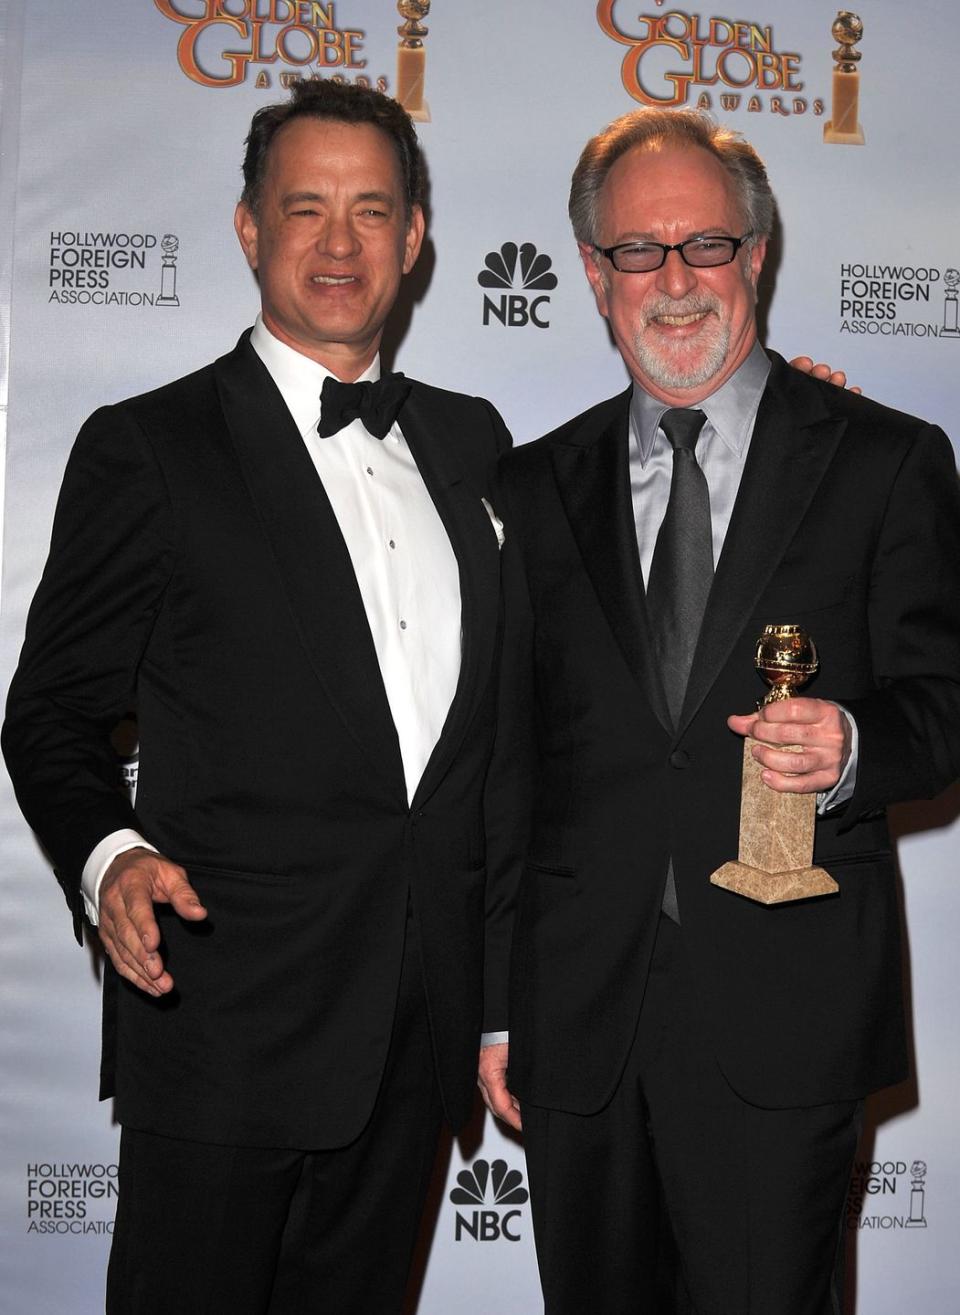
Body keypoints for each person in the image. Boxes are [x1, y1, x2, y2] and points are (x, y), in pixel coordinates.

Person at [2, 79, 513, 1314]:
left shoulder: (477, 444)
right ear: (247, 228)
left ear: (416, 237)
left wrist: (501, 999)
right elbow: (50, 712)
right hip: (226, 1023)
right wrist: (110, 854)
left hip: (414, 1034)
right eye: (305, 209)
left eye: (371, 210)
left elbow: (496, 751)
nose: (339, 243)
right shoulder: (153, 447)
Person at [479, 107, 960, 1314]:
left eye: (706, 245)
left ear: (758, 253)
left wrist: (852, 744)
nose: (675, 280)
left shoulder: (884, 460)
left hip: (781, 1012)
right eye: (639, 251)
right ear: (593, 274)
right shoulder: (530, 487)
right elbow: (506, 766)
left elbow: (949, 706)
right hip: (580, 1022)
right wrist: (497, 1007)